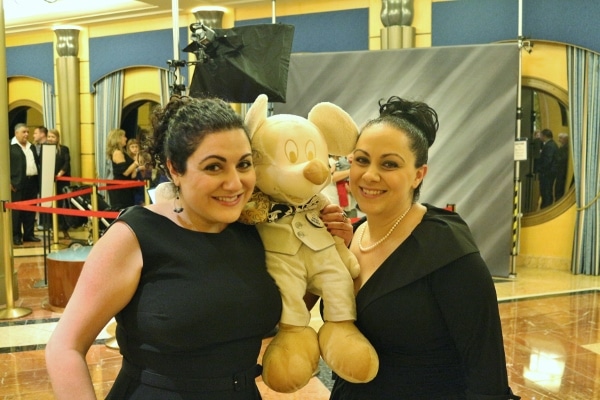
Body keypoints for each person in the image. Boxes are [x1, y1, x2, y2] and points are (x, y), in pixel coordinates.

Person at [45, 95, 353, 400]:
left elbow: (279, 305)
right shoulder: (136, 235)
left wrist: (328, 246)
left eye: (244, 164)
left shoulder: (253, 230)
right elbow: (65, 347)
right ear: (175, 169)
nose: (235, 183)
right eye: (214, 167)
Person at [327, 96, 519, 399]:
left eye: (389, 164)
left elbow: (486, 373)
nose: (370, 175)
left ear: (419, 174)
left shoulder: (448, 252)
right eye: (362, 160)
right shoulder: (350, 235)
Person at [10, 123, 41, 245]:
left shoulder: (31, 146)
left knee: (30, 210)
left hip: (32, 182)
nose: (27, 134)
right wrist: (8, 182)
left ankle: (29, 234)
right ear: (16, 133)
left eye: (28, 132)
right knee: (17, 212)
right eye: (24, 132)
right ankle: (16, 235)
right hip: (16, 183)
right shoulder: (9, 146)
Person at [47, 129, 72, 239]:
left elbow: (67, 163)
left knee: (63, 204)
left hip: (62, 181)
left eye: (53, 137)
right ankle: (53, 228)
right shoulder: (45, 149)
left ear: (57, 138)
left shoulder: (64, 149)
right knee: (51, 205)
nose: (50, 139)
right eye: (49, 137)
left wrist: (59, 174)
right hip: (49, 182)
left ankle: (64, 228)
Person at [106, 128, 137, 210]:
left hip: (126, 188)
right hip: (121, 190)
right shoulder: (117, 153)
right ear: (118, 138)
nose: (126, 138)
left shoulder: (122, 152)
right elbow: (125, 172)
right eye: (124, 136)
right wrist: (136, 163)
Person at [535, 128, 558, 209]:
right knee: (546, 191)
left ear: (544, 136)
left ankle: (546, 208)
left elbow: (547, 160)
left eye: (541, 135)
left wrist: (540, 169)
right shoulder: (551, 144)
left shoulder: (549, 146)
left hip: (547, 173)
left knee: (546, 191)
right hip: (548, 173)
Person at [126, 138, 147, 205]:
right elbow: (132, 174)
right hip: (134, 184)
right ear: (128, 148)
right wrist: (138, 169)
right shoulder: (128, 159)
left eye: (136, 146)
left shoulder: (141, 157)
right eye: (132, 147)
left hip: (142, 180)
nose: (135, 149)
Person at [554, 132, 569, 200]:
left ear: (565, 139)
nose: (559, 140)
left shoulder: (565, 148)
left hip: (562, 171)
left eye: (560, 138)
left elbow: (563, 158)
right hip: (560, 171)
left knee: (559, 188)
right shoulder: (562, 147)